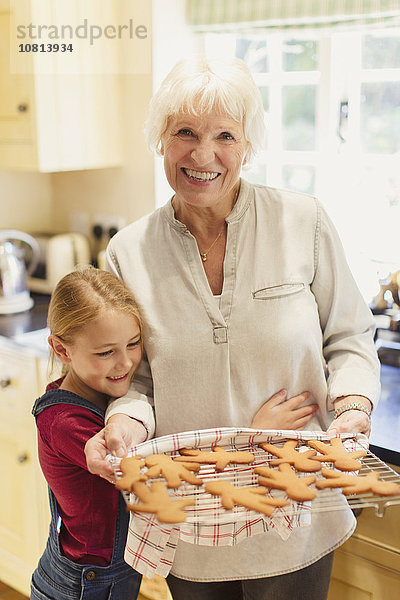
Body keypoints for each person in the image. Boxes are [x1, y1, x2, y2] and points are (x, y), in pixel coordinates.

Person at [85, 57, 380, 599]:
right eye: (185, 134)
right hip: (192, 515)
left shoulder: (303, 220)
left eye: (225, 135)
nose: (204, 155)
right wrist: (124, 423)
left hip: (294, 503)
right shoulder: (129, 253)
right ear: (160, 141)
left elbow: (350, 336)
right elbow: (137, 379)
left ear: (247, 145)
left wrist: (353, 407)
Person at [30, 266, 143, 600]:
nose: (125, 363)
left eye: (133, 343)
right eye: (106, 352)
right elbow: (146, 468)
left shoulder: (103, 391)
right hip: (81, 586)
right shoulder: (66, 422)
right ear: (62, 350)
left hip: (104, 576)